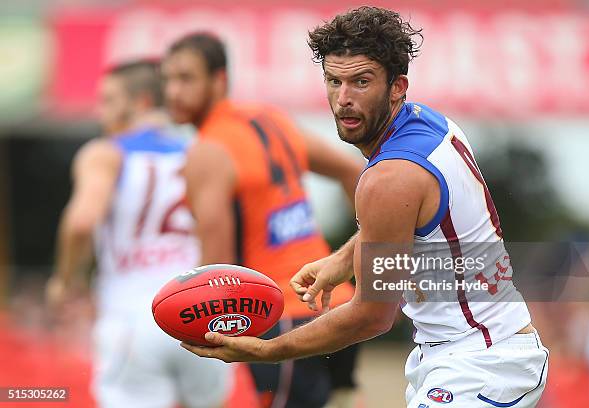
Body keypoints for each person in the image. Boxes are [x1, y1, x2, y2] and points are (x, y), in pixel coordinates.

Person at [180, 7, 550, 408]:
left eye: (361, 82)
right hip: (469, 352)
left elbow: (373, 316)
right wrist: (341, 262)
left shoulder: (387, 178)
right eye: (333, 81)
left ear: (397, 86)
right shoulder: (429, 123)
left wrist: (266, 349)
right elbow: (404, 224)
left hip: (482, 362)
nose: (343, 99)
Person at [162, 33, 364, 408]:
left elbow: (214, 271)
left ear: (219, 80)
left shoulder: (208, 151)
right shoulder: (270, 119)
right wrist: (363, 255)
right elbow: (353, 172)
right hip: (335, 307)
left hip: (278, 319)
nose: (173, 91)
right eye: (167, 80)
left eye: (186, 78)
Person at [45, 60, 231, 408]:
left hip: (132, 317)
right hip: (200, 315)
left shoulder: (105, 153)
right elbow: (219, 237)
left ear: (142, 102)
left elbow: (82, 221)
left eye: (108, 101)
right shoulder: (203, 153)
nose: (100, 112)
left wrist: (65, 280)